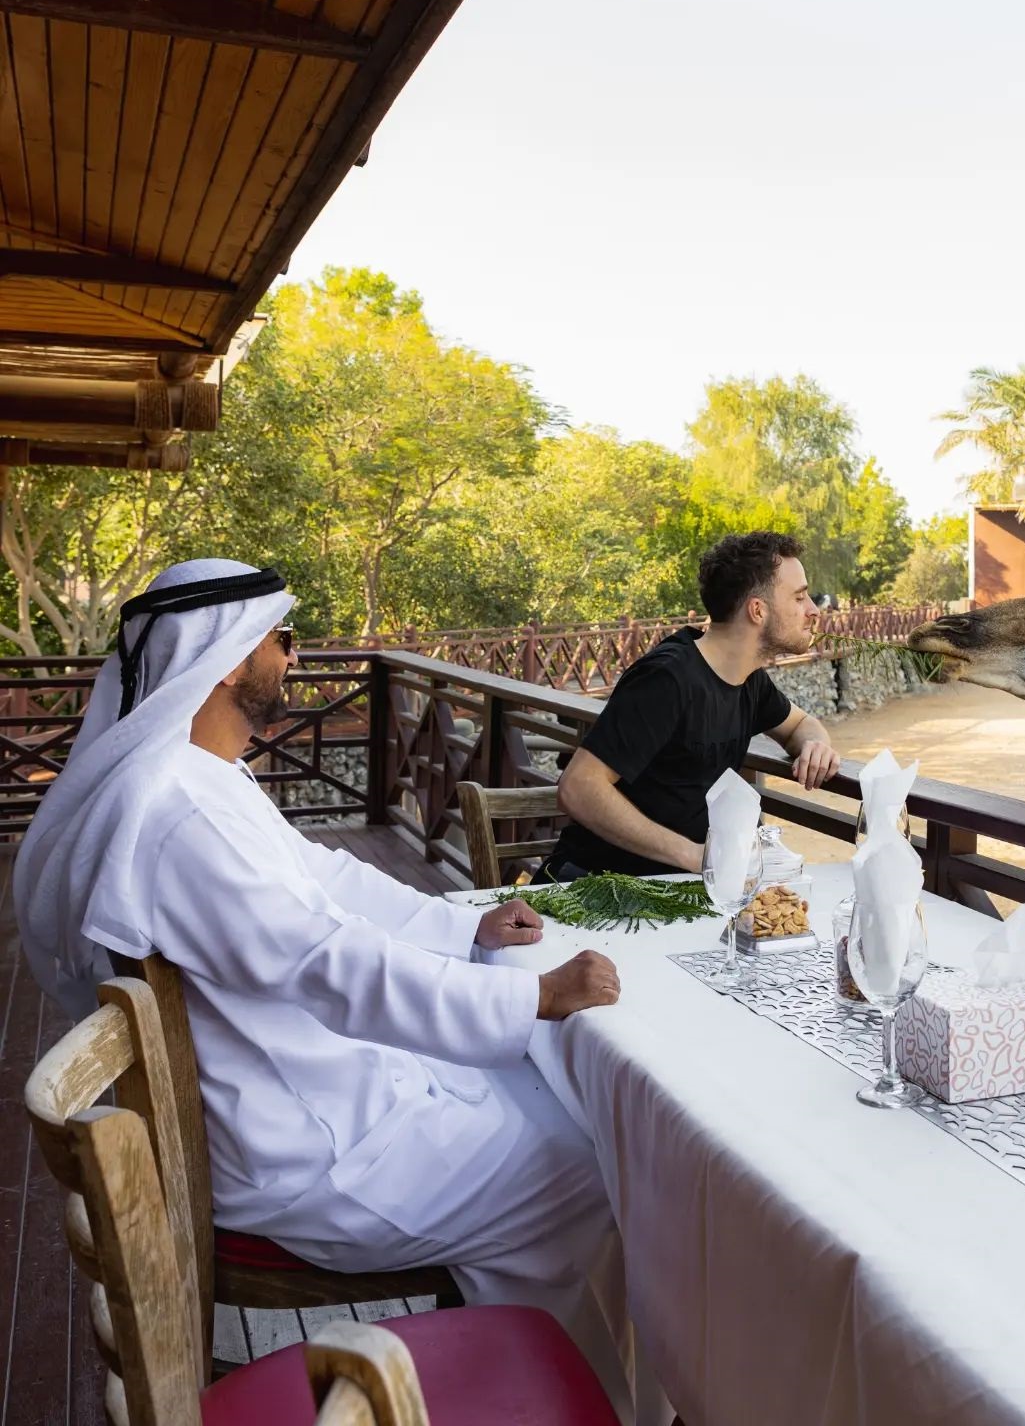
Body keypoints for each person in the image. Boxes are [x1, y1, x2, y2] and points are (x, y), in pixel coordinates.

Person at [14, 560, 657, 1423]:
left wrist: (458, 929)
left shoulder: (202, 778)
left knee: (553, 1107)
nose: (294, 652)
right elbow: (325, 964)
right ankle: (563, 1393)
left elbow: (329, 882)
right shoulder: (181, 815)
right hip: (303, 1147)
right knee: (588, 1168)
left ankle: (518, 1353)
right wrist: (526, 999)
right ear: (231, 657)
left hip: (301, 1094)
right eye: (281, 638)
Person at [546, 531, 841, 880]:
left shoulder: (747, 678)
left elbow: (798, 724)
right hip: (598, 889)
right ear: (757, 610)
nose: (812, 611)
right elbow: (578, 786)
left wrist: (816, 744)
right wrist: (696, 857)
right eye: (799, 597)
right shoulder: (667, 679)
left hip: (676, 894)